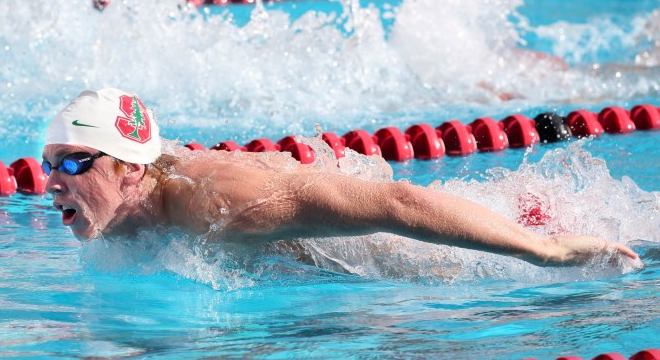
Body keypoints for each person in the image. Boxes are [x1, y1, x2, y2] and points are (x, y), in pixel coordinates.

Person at [43, 87, 640, 267]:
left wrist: (546, 250)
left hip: (425, 251)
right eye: (48, 164)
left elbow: (397, 203)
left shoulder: (220, 206)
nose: (51, 182)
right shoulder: (126, 207)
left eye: (72, 162)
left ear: (129, 170)